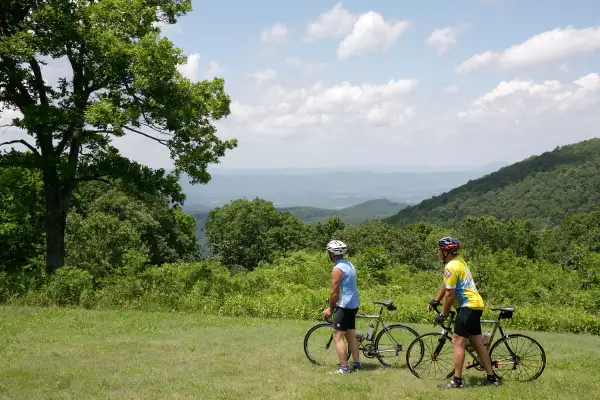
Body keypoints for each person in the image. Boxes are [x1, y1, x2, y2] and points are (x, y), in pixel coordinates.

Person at [428, 237, 499, 388]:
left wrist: (443, 314)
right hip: (475, 306)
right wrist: (436, 299)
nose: (438, 253)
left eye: (439, 250)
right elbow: (446, 283)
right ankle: (491, 378)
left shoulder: (451, 266)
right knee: (477, 343)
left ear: (446, 251)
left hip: (467, 307)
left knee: (457, 342)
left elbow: (450, 294)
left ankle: (457, 381)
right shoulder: (459, 261)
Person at [321, 239, 361, 374]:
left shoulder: (337, 269)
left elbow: (334, 292)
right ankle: (356, 364)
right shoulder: (349, 264)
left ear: (332, 253)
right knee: (351, 335)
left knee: (338, 337)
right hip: (354, 304)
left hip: (344, 306)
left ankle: (344, 368)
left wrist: (331, 308)